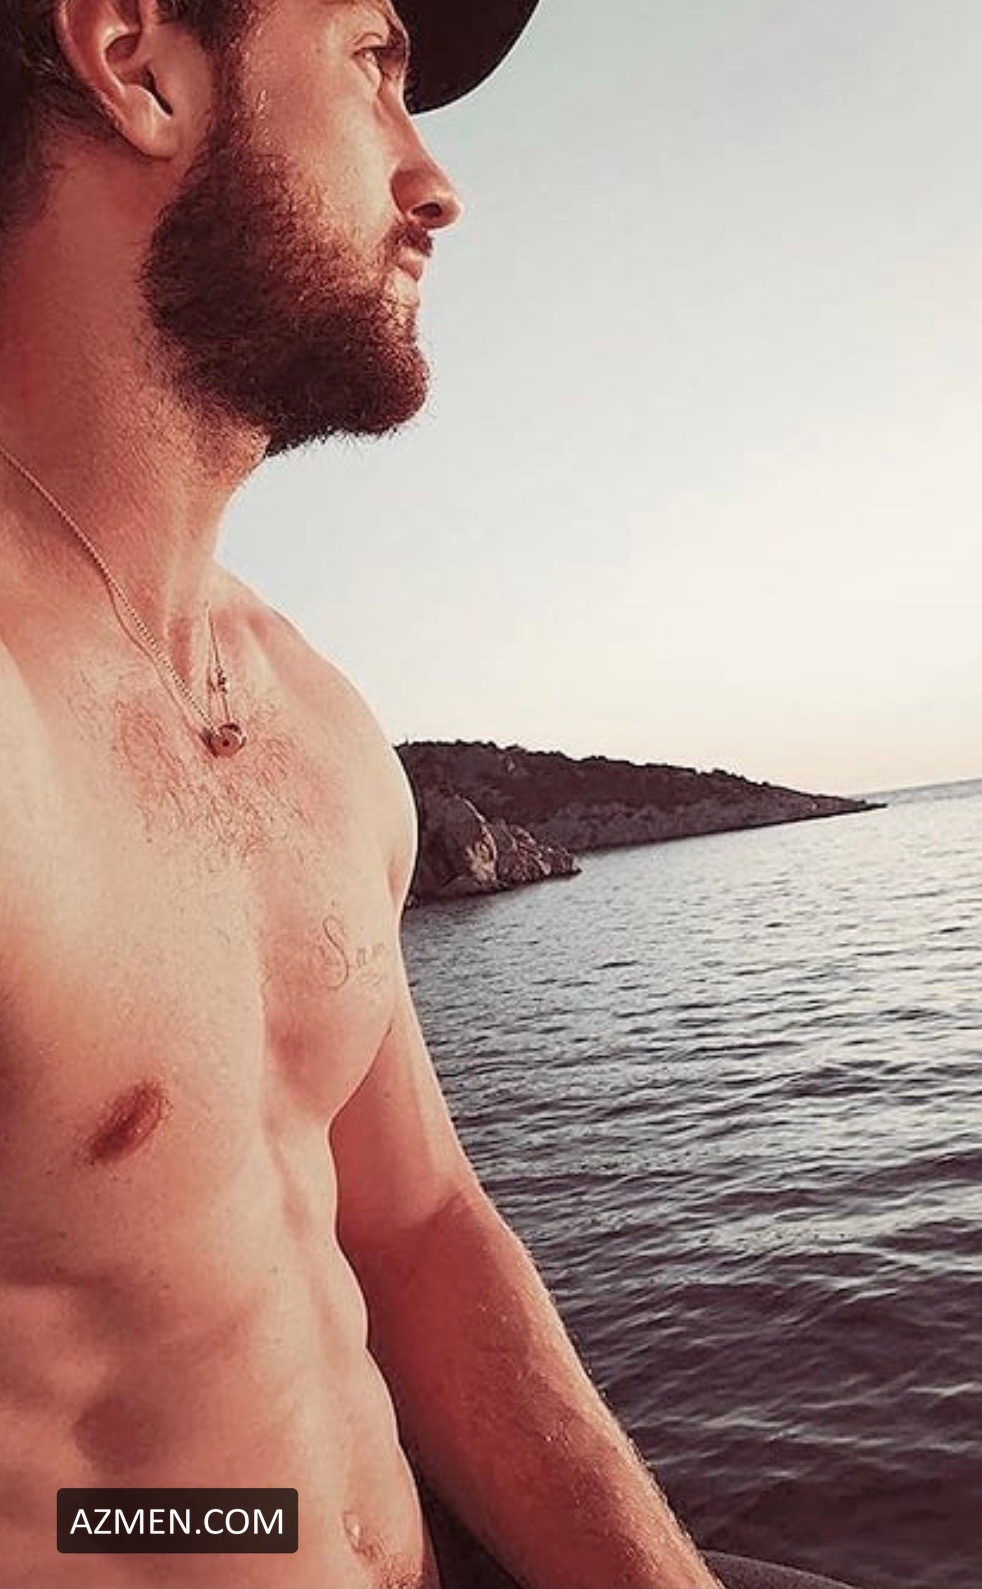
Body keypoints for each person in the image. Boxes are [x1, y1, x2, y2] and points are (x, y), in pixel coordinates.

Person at [0, 4, 855, 1586]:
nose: (435, 181)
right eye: (372, 62)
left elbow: (419, 1230)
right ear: (136, 63)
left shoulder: (314, 719)